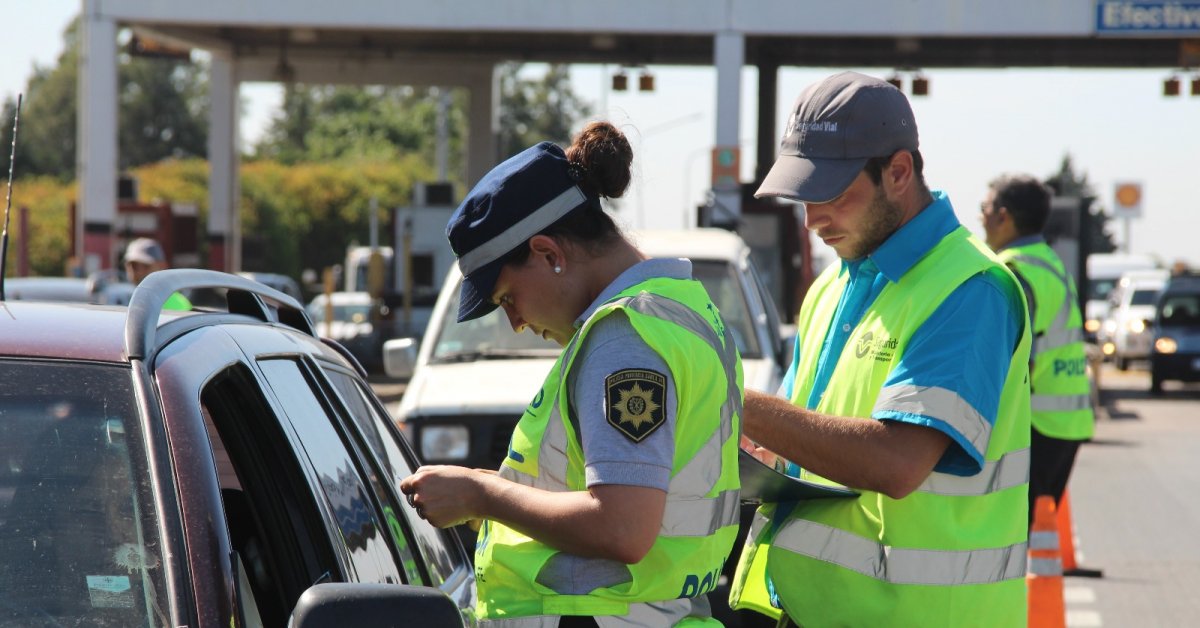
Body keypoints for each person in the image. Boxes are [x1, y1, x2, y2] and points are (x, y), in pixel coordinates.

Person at [399, 122, 743, 626]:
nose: (516, 322)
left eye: (507, 299)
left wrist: (483, 495)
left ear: (548, 254)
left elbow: (623, 526)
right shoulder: (681, 308)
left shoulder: (624, 339)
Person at [727, 71, 1032, 626]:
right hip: (812, 610)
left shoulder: (970, 289)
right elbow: (794, 441)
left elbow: (896, 463)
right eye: (803, 198)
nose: (813, 220)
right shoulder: (831, 287)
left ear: (898, 172)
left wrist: (724, 395)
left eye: (833, 195)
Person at [981, 173, 1094, 523]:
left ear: (1003, 216)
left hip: (1035, 426)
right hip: (1068, 421)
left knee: (1008, 537)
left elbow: (1014, 365)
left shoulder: (1013, 271)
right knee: (1032, 534)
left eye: (983, 208)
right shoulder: (1048, 260)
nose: (979, 217)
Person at [123, 237, 191, 310]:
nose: (139, 272)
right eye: (134, 265)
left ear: (162, 266)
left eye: (146, 266)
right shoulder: (120, 300)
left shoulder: (178, 304)